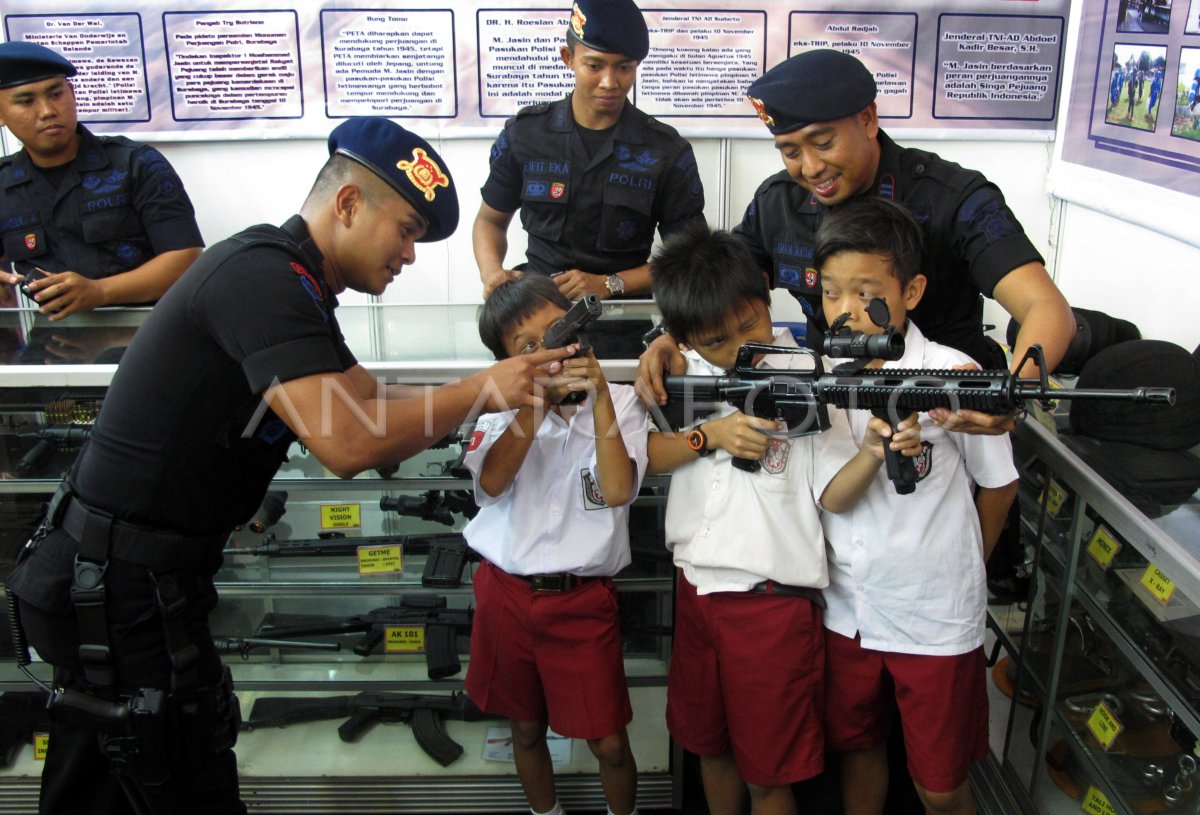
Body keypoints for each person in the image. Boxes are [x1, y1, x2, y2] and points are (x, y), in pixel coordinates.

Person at [5, 117, 574, 815]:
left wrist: (491, 394)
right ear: (347, 205)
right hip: (117, 585)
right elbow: (347, 444)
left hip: (137, 581)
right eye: (405, 230)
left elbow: (366, 398)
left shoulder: (295, 283)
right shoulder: (264, 277)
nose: (410, 255)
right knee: (166, 780)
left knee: (131, 774)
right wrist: (487, 389)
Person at [638, 49, 1074, 436]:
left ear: (868, 119)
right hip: (832, 423)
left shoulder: (953, 199)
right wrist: (667, 339)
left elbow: (1046, 308)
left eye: (823, 143)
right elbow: (716, 288)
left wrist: (1009, 391)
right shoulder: (778, 206)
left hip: (945, 416)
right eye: (790, 151)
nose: (810, 168)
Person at [643, 222, 921, 815]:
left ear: (767, 294)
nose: (740, 342)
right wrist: (711, 435)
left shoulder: (808, 376)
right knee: (709, 750)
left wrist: (873, 451)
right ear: (685, 335)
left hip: (770, 604)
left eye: (751, 323)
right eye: (717, 339)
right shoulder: (678, 376)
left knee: (770, 774)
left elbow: (834, 497)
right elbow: (638, 461)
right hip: (695, 591)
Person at [813, 197, 1019, 815]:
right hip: (846, 608)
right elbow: (831, 498)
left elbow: (1000, 483)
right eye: (829, 292)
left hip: (934, 620)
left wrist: (967, 572)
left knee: (940, 784)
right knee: (858, 751)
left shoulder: (951, 373)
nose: (845, 309)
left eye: (865, 291)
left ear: (913, 290)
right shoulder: (822, 375)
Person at [462, 274, 649, 815]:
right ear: (505, 360)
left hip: (582, 601)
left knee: (610, 743)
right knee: (525, 730)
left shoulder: (622, 401)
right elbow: (492, 483)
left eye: (555, 332)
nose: (547, 351)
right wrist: (535, 404)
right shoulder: (497, 407)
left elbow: (617, 491)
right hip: (507, 595)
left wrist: (600, 402)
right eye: (526, 346)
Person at [473, 0, 705, 300]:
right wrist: (492, 272)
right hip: (539, 310)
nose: (610, 82)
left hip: (623, 318)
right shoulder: (526, 135)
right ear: (568, 58)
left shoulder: (665, 150)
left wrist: (609, 283)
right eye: (594, 66)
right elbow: (489, 220)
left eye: (624, 67)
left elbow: (688, 259)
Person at [0, 42, 203, 320]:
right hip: (54, 339)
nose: (47, 110)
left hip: (149, 332)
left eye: (56, 94)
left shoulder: (136, 164)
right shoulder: (3, 183)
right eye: (26, 101)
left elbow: (186, 258)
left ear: (72, 94)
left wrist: (99, 291)